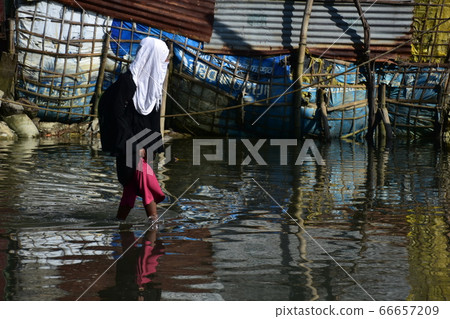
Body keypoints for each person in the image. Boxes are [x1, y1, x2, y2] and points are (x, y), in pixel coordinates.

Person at [99, 37, 169, 224]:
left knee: (133, 185)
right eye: (164, 57)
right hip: (129, 144)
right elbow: (116, 113)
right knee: (139, 181)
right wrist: (133, 145)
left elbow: (152, 119)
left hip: (144, 145)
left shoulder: (154, 86)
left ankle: (120, 222)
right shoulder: (128, 81)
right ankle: (153, 223)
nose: (166, 62)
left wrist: (152, 147)